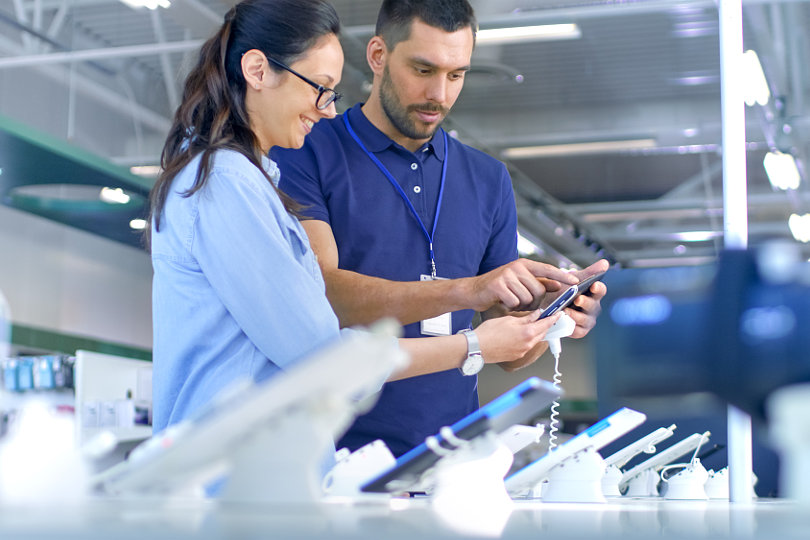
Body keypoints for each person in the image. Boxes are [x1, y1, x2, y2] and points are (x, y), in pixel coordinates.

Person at [147, 0, 567, 435]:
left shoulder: (250, 183)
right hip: (239, 472)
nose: (327, 108)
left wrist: (545, 315)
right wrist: (471, 342)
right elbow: (322, 352)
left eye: (456, 75)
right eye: (319, 87)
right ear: (257, 71)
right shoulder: (228, 183)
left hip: (275, 467)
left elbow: (315, 340)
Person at [271, 0, 608, 457]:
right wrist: (466, 291)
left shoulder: (488, 179)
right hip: (333, 455)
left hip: (449, 459)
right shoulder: (307, 149)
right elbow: (323, 294)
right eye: (423, 69)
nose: (440, 95)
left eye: (456, 75)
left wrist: (550, 322)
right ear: (377, 55)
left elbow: (504, 350)